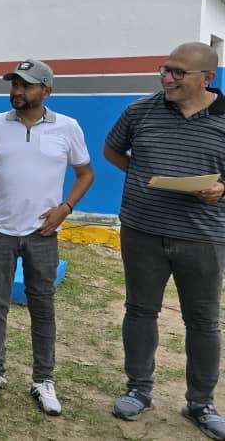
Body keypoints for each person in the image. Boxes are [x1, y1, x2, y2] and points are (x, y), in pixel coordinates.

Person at [104, 42, 225, 439]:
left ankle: (201, 403)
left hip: (203, 237)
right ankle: (138, 389)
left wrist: (220, 189)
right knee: (140, 311)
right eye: (165, 69)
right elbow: (112, 150)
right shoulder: (140, 111)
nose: (166, 78)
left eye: (178, 72)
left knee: (203, 322)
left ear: (207, 78)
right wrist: (141, 175)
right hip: (142, 230)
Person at [0, 59, 94, 416]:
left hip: (42, 233)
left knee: (43, 305)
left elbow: (85, 173)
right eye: (14, 84)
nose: (17, 91)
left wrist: (65, 208)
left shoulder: (68, 128)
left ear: (46, 91)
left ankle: (43, 379)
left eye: (25, 85)